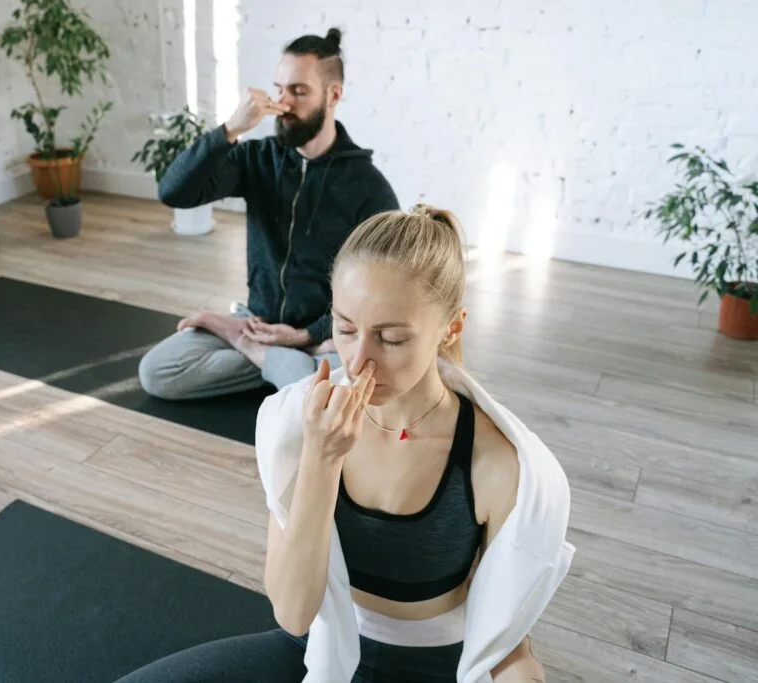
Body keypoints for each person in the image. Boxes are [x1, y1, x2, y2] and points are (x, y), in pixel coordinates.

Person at [114, 205, 575, 682]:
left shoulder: (500, 463)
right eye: (346, 328)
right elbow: (294, 613)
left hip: (433, 667)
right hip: (319, 648)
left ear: (451, 328)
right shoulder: (296, 424)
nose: (358, 360)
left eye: (391, 338)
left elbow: (506, 635)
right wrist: (320, 456)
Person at [137, 27, 400, 401]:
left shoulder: (368, 187)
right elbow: (174, 192)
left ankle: (271, 359)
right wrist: (230, 130)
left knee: (349, 375)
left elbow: (382, 293)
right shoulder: (258, 159)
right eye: (279, 89)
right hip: (256, 323)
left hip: (324, 336)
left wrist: (307, 336)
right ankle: (285, 368)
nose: (283, 103)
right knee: (157, 372)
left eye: (298, 91)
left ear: (334, 95)